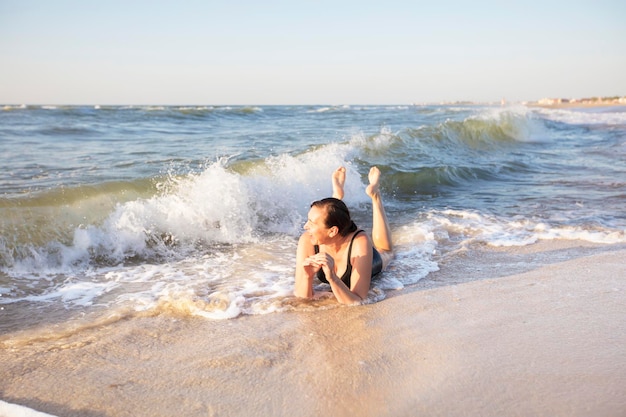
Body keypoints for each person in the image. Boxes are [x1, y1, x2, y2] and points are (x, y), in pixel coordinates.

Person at [294, 166, 394, 304]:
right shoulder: (307, 240)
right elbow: (303, 298)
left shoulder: (360, 241)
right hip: (334, 229)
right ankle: (337, 197)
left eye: (311, 223)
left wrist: (332, 278)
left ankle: (375, 195)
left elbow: (357, 300)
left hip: (370, 261)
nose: (305, 226)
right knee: (328, 217)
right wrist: (307, 276)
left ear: (333, 231)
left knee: (387, 251)